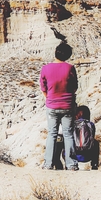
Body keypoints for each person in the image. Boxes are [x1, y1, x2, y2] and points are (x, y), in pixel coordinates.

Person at [40, 42, 78, 171]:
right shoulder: (70, 68)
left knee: (52, 134)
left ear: (55, 52)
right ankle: (71, 164)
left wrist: (48, 99)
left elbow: (43, 87)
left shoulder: (45, 68)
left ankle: (48, 164)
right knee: (68, 134)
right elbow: (74, 87)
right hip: (67, 105)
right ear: (68, 55)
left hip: (52, 106)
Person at [52, 105, 100, 170]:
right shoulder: (91, 124)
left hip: (71, 155)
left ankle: (59, 165)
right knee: (96, 142)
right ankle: (94, 165)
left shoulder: (70, 124)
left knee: (60, 140)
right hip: (87, 156)